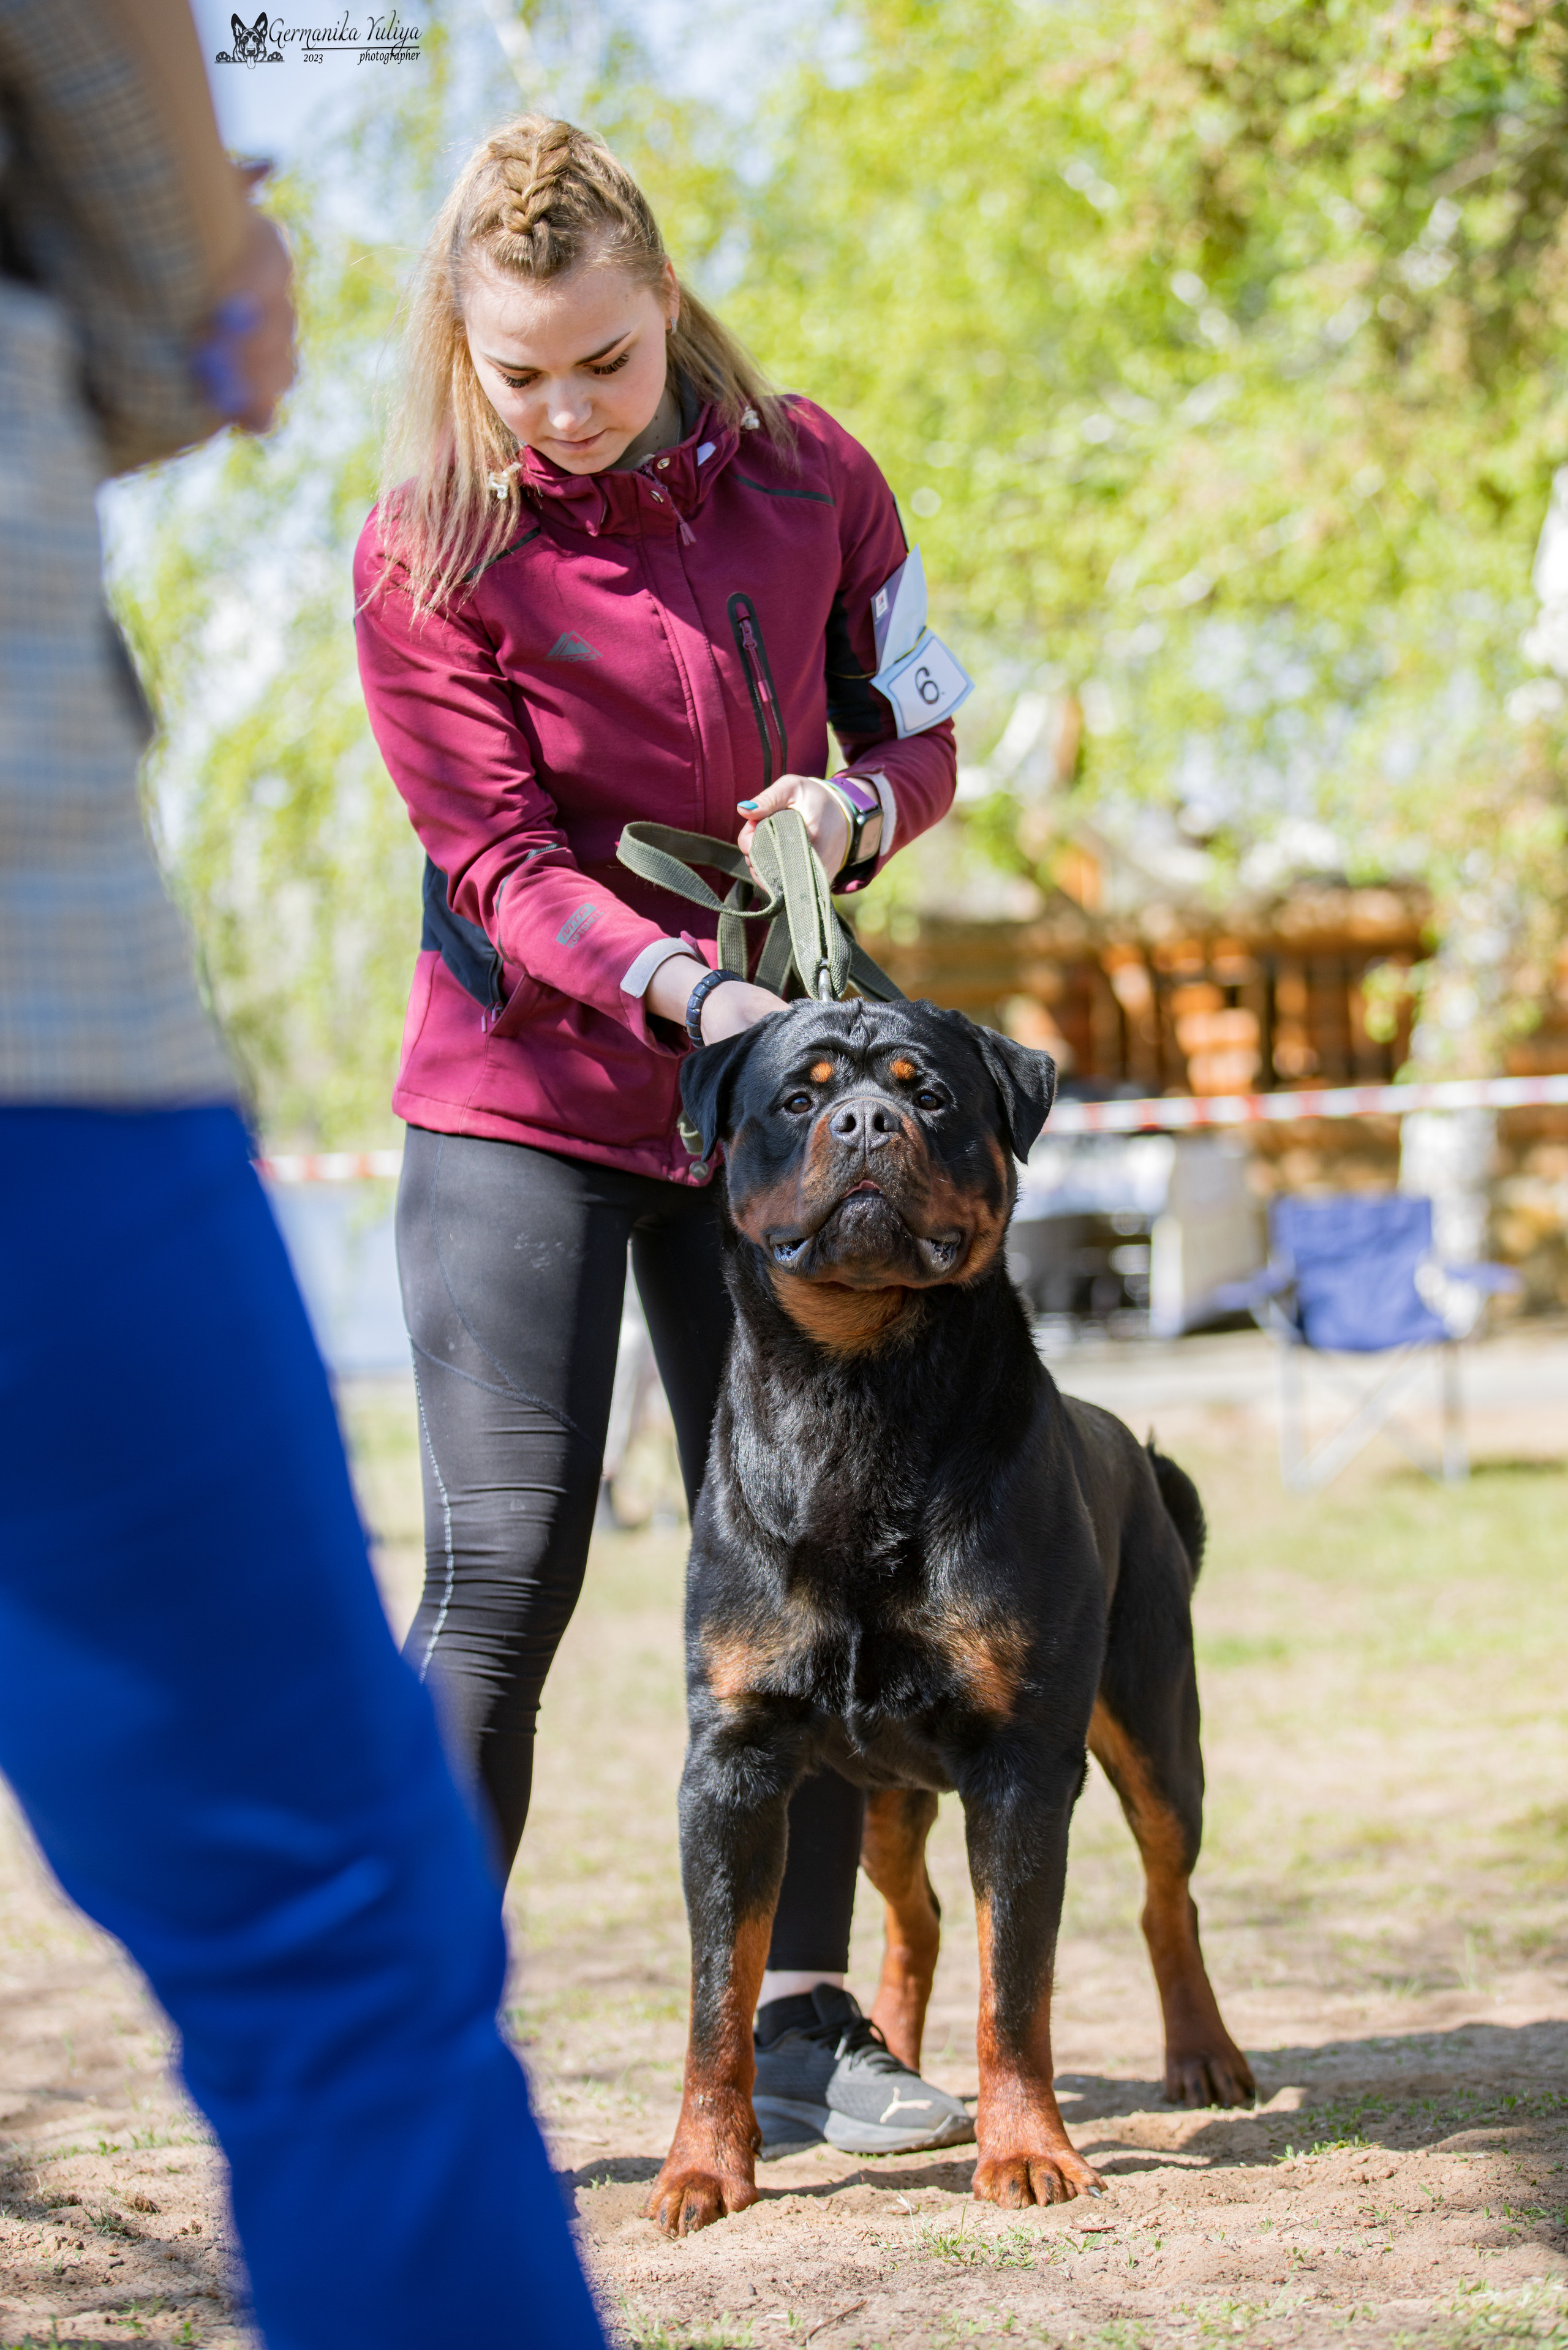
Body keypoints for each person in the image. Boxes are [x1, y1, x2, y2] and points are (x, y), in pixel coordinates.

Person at [0, 8, 605, 2346]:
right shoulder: (419, 548)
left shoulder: (799, 477)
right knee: (333, 1952)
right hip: (44, 1052)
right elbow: (186, 317)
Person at [355, 111, 975, 2159]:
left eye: (602, 364)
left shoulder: (816, 470)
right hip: (525, 1098)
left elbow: (924, 719)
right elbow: (504, 862)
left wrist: (855, 810)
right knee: (501, 1567)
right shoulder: (426, 545)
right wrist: (699, 1000)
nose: (563, 411)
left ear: (665, 301)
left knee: (800, 1562)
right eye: (517, 373)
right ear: (462, 341)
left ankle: (808, 2027)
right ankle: (408, 2044)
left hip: (772, 1121)